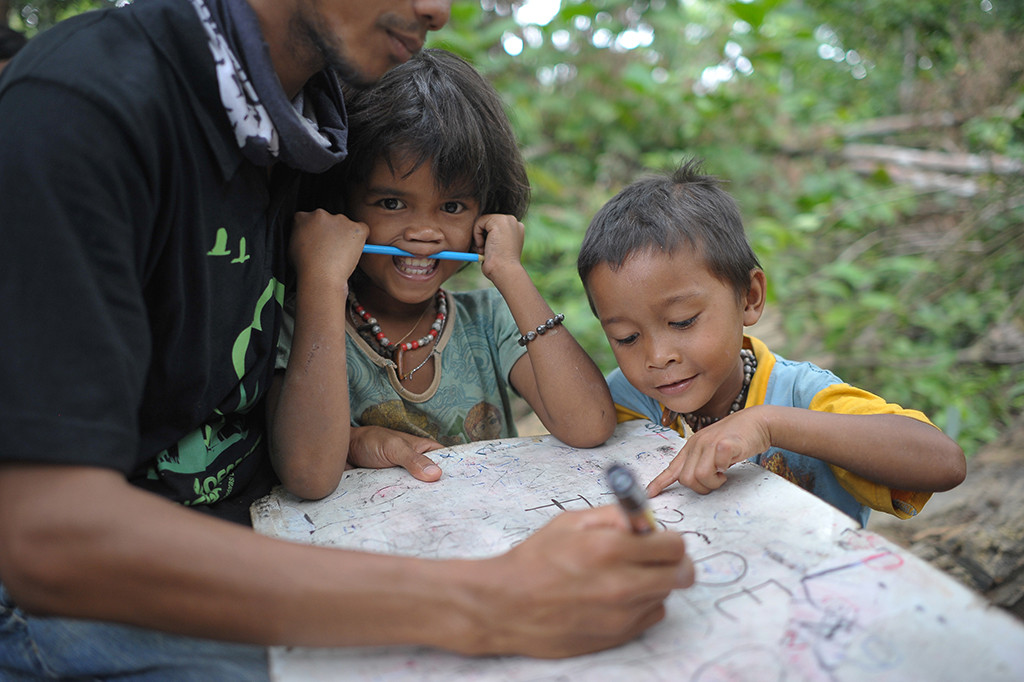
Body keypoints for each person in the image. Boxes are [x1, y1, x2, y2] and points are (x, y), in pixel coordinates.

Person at [0, 1, 694, 679]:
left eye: (452, 207)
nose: (439, 10)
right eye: (392, 203)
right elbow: (47, 536)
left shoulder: (311, 130)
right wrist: (492, 601)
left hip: (308, 536)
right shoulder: (86, 106)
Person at [268, 48, 617, 499]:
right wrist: (322, 278)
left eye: (452, 207)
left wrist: (510, 271)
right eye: (392, 203)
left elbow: (589, 425)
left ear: (485, 214)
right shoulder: (303, 319)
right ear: (342, 204)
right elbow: (309, 476)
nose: (425, 233)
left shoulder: (489, 319)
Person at [576, 159, 966, 527]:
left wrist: (768, 424)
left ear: (749, 298)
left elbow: (944, 462)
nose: (658, 357)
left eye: (683, 321)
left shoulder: (801, 396)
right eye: (626, 337)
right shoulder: (628, 401)